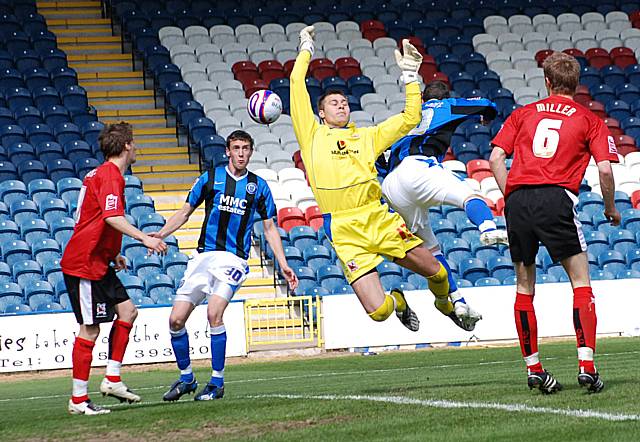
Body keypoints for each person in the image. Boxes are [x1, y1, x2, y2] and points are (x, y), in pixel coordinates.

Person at [290, 26, 454, 332]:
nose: (341, 105)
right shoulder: (311, 135)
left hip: (376, 217)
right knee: (378, 312)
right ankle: (398, 302)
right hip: (342, 228)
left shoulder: (368, 136)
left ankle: (447, 304)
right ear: (320, 113)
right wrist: (306, 48)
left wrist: (410, 78)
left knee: (438, 273)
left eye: (344, 102)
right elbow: (296, 82)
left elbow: (410, 118)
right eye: (333, 103)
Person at [489, 52, 620, 394]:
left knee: (523, 286)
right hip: (555, 197)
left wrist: (511, 197)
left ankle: (534, 369)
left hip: (519, 200)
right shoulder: (589, 119)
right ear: (576, 84)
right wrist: (610, 208)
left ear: (547, 81)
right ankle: (587, 366)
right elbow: (605, 169)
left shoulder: (522, 113)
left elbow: (495, 157)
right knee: (580, 282)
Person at [156, 130, 298, 402]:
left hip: (234, 260)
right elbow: (185, 212)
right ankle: (186, 379)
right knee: (175, 320)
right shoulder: (210, 178)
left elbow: (270, 228)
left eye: (246, 148)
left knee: (214, 314)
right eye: (237, 148)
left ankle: (217, 382)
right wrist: (160, 234)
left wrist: (283, 263)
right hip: (203, 258)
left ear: (251, 152)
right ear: (227, 151)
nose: (241, 153)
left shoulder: (259, 187)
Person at [61, 122, 168, 415]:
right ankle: (79, 400)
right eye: (133, 142)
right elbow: (110, 216)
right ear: (125, 147)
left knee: (128, 312)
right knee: (90, 329)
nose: (136, 147)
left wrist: (113, 252)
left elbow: (92, 218)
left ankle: (112, 378)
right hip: (84, 264)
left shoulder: (101, 173)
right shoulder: (110, 176)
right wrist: (144, 236)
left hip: (97, 260)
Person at [381, 81, 505, 330]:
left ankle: (456, 300)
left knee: (432, 250)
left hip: (392, 183)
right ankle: (488, 228)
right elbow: (486, 104)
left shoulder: (402, 120)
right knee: (471, 196)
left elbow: (378, 158)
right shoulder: (446, 106)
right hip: (419, 167)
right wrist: (486, 117)